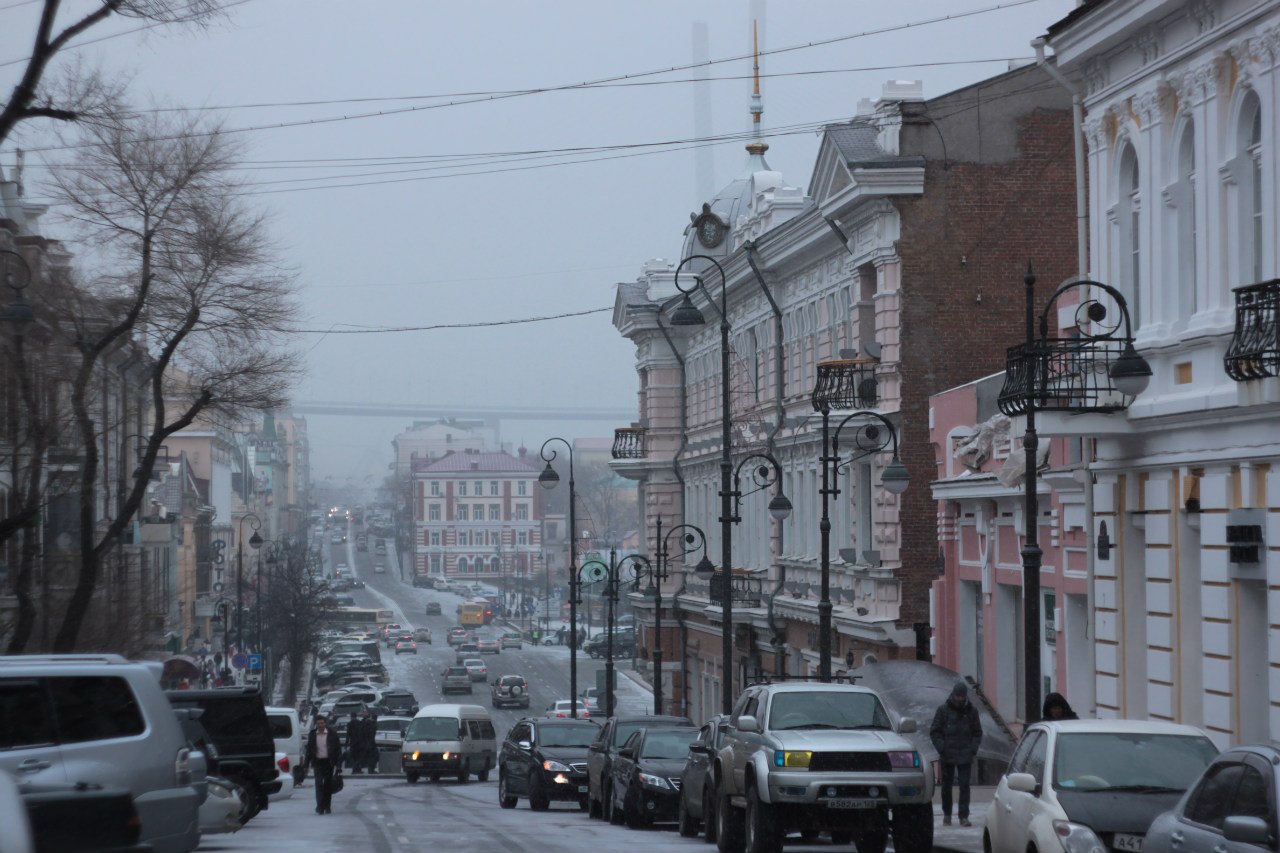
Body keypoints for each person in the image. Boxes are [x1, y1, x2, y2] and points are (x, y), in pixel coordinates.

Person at [930, 681, 983, 827]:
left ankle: (963, 816)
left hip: (965, 754)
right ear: (953, 695)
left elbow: (977, 732)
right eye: (958, 696)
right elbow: (935, 731)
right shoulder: (943, 710)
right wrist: (942, 747)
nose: (960, 699)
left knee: (964, 786)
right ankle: (947, 814)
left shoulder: (972, 712)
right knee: (946, 787)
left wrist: (973, 749)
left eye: (962, 696)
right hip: (947, 755)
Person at [303, 716, 342, 815]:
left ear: (325, 724)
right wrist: (306, 765)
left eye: (322, 723)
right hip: (317, 763)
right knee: (319, 784)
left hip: (329, 763)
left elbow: (338, 750)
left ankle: (327, 806)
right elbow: (309, 751)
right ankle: (320, 807)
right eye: (318, 723)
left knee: (327, 786)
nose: (320, 725)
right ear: (316, 724)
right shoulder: (312, 735)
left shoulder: (332, 734)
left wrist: (338, 765)